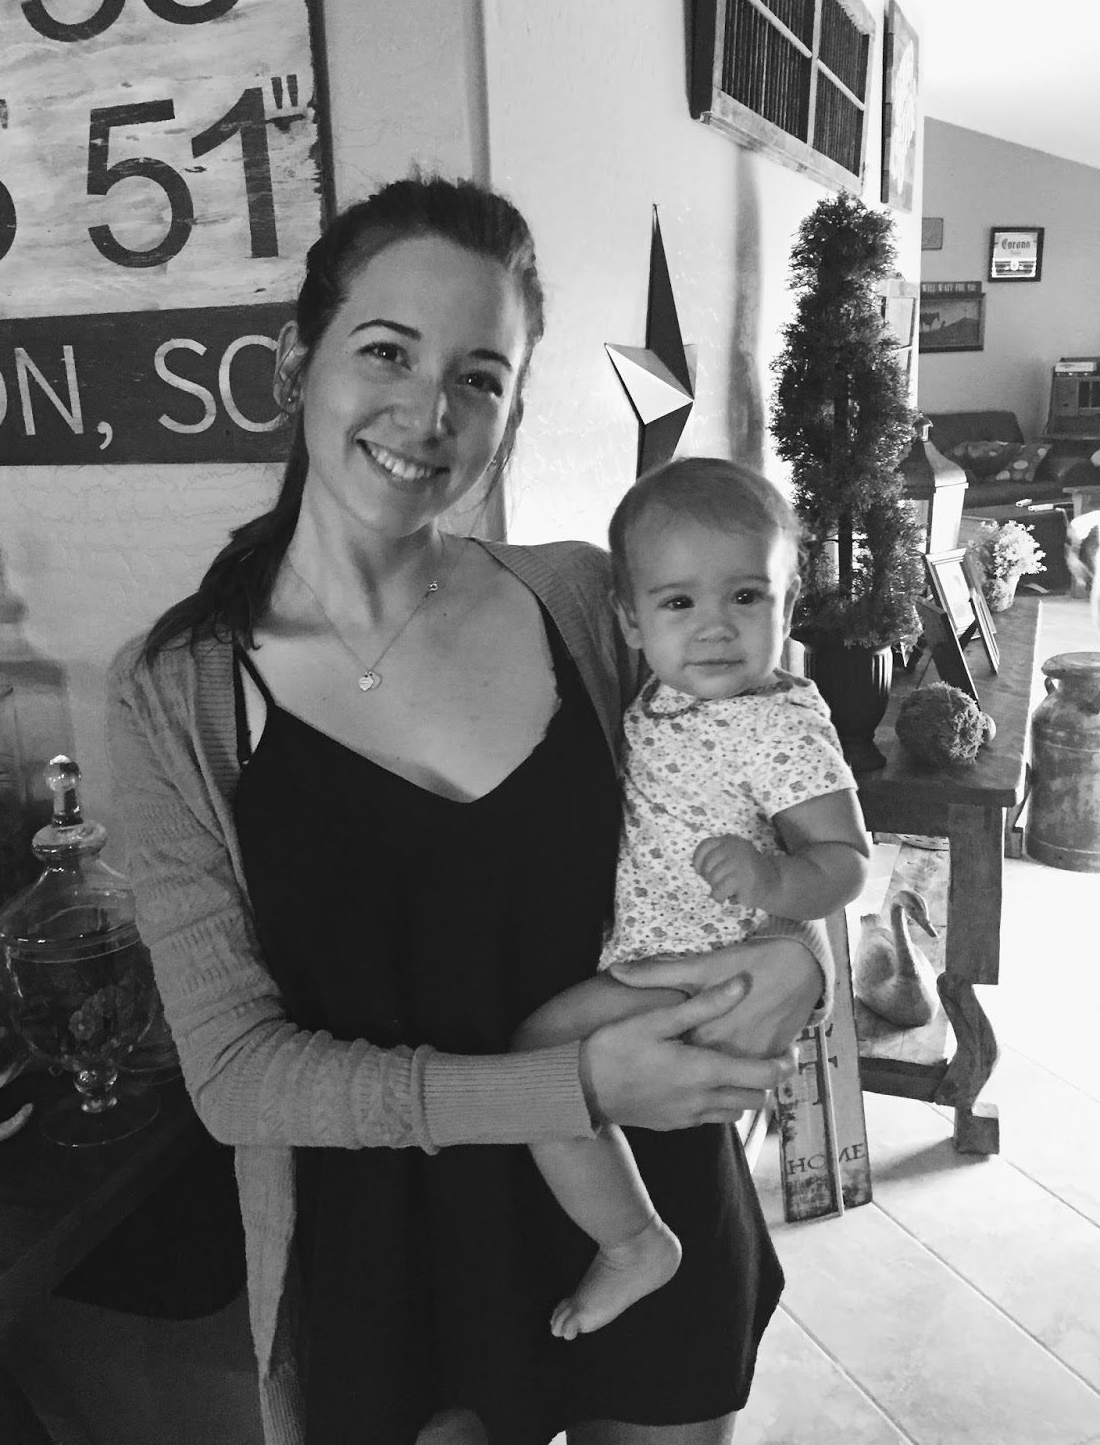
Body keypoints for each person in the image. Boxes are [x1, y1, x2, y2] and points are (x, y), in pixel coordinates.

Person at [107, 173, 838, 1445]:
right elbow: (236, 1077)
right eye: (386, 351)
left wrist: (805, 953)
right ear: (297, 362)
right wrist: (566, 1084)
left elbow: (768, 794)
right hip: (397, 1256)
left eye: (481, 377)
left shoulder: (589, 603)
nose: (428, 412)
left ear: (512, 410)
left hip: (655, 1190)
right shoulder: (177, 690)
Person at [514, 457, 870, 1342]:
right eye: (679, 603)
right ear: (631, 622)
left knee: (534, 1067)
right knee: (549, 1080)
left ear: (788, 602)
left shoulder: (780, 722)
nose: (714, 626)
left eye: (746, 596)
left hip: (705, 973)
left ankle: (634, 1242)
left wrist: (776, 881)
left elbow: (847, 862)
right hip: (654, 956)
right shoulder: (661, 698)